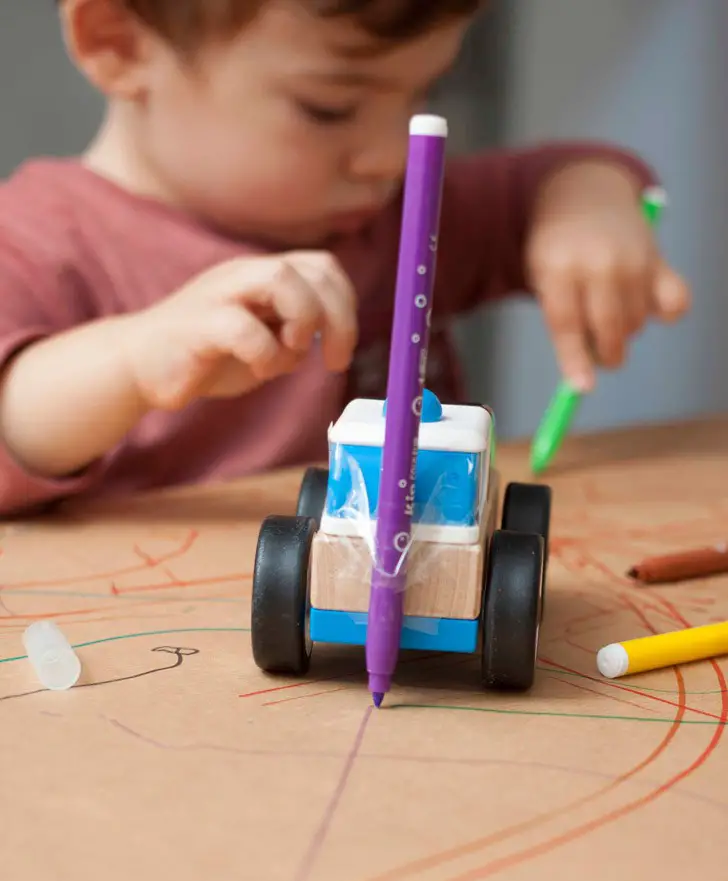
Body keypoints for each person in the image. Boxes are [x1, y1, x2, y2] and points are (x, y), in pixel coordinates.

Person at [0, 0, 690, 516]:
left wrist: (585, 203)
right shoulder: (35, 241)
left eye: (425, 94)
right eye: (329, 107)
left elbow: (555, 177)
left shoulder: (395, 212)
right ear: (118, 43)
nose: (391, 157)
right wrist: (133, 360)